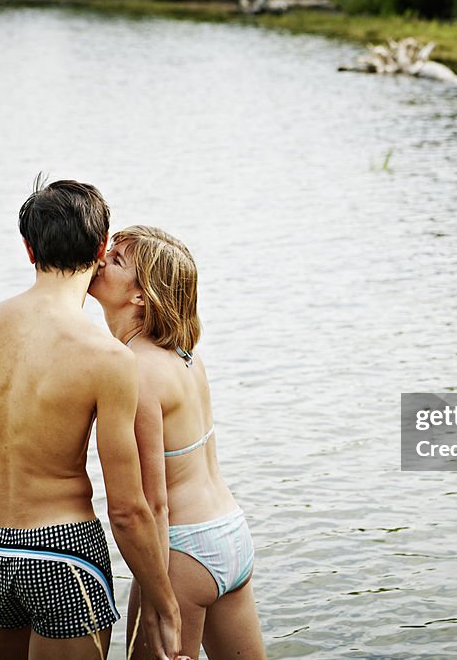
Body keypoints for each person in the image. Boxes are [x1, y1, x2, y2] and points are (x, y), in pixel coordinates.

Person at [0, 179, 185, 660]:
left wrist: (5, 535)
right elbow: (127, 509)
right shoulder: (106, 357)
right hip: (63, 553)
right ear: (102, 249)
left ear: (28, 248)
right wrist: (165, 606)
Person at [88, 225, 266, 660]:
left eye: (115, 260)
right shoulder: (186, 357)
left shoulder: (134, 370)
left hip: (183, 552)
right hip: (231, 534)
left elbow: (154, 503)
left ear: (140, 296)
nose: (100, 260)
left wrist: (155, 598)